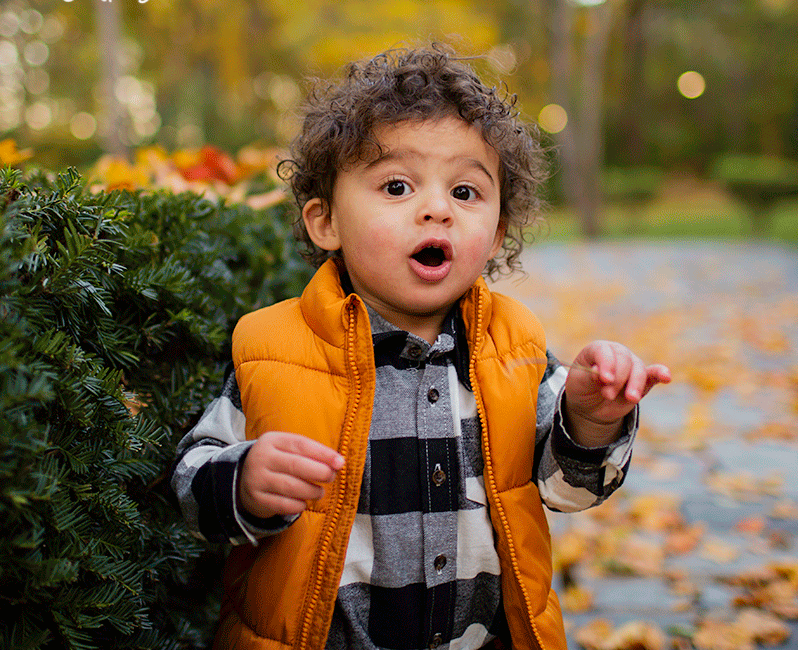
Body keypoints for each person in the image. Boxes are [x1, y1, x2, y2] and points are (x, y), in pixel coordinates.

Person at [171, 44, 671, 650]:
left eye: (465, 193)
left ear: (495, 234)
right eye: (398, 185)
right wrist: (243, 481)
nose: (436, 209)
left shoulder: (517, 353)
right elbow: (191, 480)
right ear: (324, 220)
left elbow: (569, 490)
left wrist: (590, 418)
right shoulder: (275, 349)